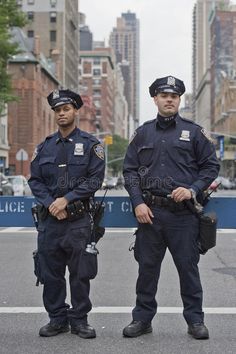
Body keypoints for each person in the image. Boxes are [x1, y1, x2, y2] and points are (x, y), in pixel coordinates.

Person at [122, 76, 220, 340]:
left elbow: (211, 167)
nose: (169, 100)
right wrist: (137, 202)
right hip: (150, 214)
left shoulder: (195, 132)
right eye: (164, 96)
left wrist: (192, 189)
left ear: (179, 100)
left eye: (174, 96)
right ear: (155, 99)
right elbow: (129, 171)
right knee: (147, 271)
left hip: (183, 215)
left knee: (188, 270)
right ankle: (142, 320)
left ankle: (195, 320)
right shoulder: (142, 133)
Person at [28, 89, 105, 338]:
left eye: (66, 109)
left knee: (80, 274)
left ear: (75, 111)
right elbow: (35, 181)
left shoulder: (91, 145)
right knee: (50, 273)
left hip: (79, 221)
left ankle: (79, 320)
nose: (62, 114)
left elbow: (95, 180)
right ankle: (57, 319)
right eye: (58, 110)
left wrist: (66, 200)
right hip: (51, 221)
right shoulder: (44, 147)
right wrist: (53, 204)